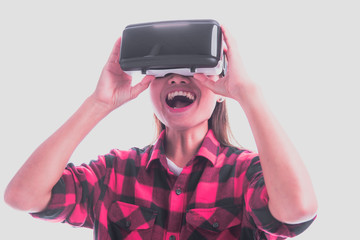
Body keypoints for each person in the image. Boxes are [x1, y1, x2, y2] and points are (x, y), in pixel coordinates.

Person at [4, 25, 317, 239]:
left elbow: (297, 210)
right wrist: (98, 104)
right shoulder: (115, 172)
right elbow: (22, 196)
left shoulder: (245, 174)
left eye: (192, 70)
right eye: (163, 72)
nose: (177, 80)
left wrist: (249, 94)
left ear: (222, 88)